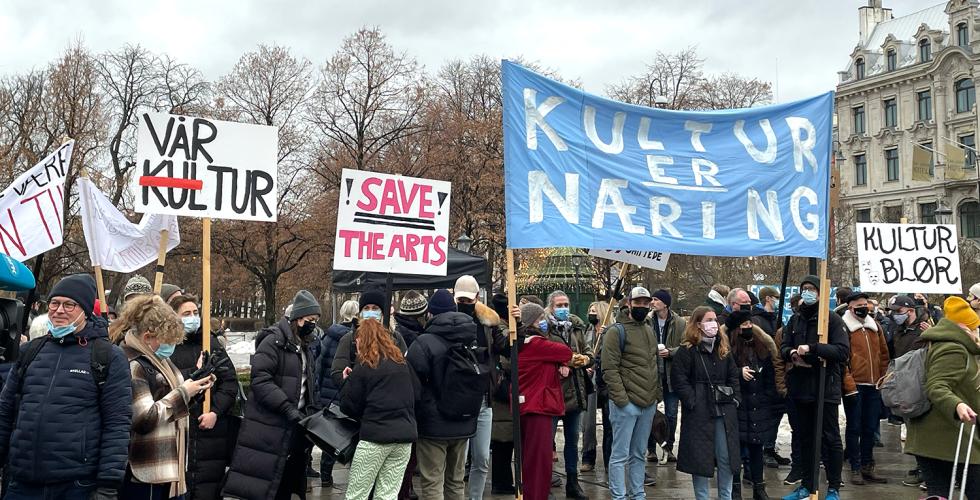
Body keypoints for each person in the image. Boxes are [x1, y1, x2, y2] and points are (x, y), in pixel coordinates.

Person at [0, 274, 132, 500]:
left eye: (69, 304)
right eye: (54, 303)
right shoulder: (30, 351)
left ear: (85, 311)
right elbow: (5, 411)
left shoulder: (108, 356)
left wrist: (108, 485)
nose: (59, 310)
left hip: (76, 485)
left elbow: (117, 424)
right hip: (22, 482)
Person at [110, 294, 214, 499]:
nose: (171, 346)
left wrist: (195, 389)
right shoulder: (134, 364)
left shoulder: (156, 358)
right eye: (167, 340)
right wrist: (184, 392)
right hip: (147, 470)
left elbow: (169, 402)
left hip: (167, 466)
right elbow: (144, 418)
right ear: (148, 337)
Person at [224, 290, 322, 500]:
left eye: (316, 320)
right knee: (266, 486)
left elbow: (307, 382)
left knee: (287, 482)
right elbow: (260, 380)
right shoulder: (273, 342)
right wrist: (287, 407)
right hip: (270, 425)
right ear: (297, 318)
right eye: (310, 319)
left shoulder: (304, 345)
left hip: (295, 425)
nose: (313, 324)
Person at [406, 289, 480, 500]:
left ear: (430, 314)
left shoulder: (423, 343)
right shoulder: (470, 338)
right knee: (456, 481)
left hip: (432, 426)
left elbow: (412, 385)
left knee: (432, 481)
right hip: (465, 421)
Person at [779, 275, 848, 500]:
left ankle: (834, 486)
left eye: (811, 289)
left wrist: (813, 348)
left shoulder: (832, 320)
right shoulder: (796, 319)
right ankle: (807, 485)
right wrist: (790, 353)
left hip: (824, 388)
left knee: (830, 438)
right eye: (804, 289)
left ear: (820, 292)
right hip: (801, 388)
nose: (807, 293)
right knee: (804, 438)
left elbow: (841, 352)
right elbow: (784, 345)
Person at [904, 297, 980, 499]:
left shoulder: (941, 343)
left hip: (940, 438)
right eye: (975, 327)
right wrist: (958, 405)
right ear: (964, 327)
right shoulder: (953, 348)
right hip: (948, 438)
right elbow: (937, 385)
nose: (976, 332)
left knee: (940, 494)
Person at [341, 313, 421, 500]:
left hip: (374, 439)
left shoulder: (364, 366)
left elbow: (349, 406)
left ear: (362, 340)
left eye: (357, 340)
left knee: (357, 495)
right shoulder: (401, 362)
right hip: (404, 439)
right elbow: (417, 394)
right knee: (387, 495)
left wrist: (347, 381)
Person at [169, 294, 239, 500]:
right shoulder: (166, 346)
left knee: (208, 488)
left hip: (209, 433)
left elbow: (229, 382)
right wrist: (195, 371)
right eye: (186, 314)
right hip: (179, 429)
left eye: (195, 313)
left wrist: (215, 412)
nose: (192, 317)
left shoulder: (210, 344)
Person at [672, 306, 740, 500]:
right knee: (700, 459)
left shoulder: (722, 348)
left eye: (715, 320)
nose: (713, 324)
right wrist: (692, 401)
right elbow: (679, 379)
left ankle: (725, 497)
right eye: (708, 319)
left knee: (726, 458)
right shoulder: (687, 351)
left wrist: (734, 399)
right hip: (699, 412)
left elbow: (733, 376)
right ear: (698, 324)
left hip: (723, 410)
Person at [512, 301, 579, 500]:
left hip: (525, 405)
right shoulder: (536, 343)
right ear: (532, 322)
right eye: (541, 319)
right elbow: (565, 352)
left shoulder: (520, 343)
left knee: (529, 459)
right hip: (538, 407)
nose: (544, 322)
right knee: (539, 463)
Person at [603, 286, 662, 500]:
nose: (642, 306)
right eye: (638, 302)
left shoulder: (648, 329)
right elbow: (609, 369)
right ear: (628, 303)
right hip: (626, 404)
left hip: (647, 403)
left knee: (638, 454)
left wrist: (657, 396)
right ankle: (619, 496)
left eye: (646, 303)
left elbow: (654, 363)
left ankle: (638, 493)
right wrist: (622, 401)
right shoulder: (615, 331)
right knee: (620, 454)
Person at [453, 275, 507, 500]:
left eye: (468, 300)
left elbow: (505, 346)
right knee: (457, 459)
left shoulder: (488, 322)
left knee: (482, 457)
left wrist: (516, 323)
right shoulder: (449, 321)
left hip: (484, 396)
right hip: (459, 397)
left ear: (477, 298)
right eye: (461, 300)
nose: (464, 304)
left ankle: (475, 497)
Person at [544, 290, 593, 498]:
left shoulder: (576, 327)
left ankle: (572, 483)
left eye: (566, 305)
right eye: (559, 305)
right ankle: (544, 482)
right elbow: (543, 354)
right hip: (554, 392)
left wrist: (578, 360)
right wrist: (562, 362)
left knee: (572, 441)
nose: (564, 309)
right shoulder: (544, 328)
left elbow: (589, 353)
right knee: (547, 442)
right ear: (551, 307)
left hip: (576, 390)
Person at [725, 310, 779, 500]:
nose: (747, 328)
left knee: (757, 449)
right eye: (743, 325)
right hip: (738, 405)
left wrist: (768, 398)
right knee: (736, 451)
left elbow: (770, 375)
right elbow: (723, 374)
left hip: (758, 405)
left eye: (749, 324)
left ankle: (759, 487)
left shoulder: (761, 345)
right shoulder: (727, 349)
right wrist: (739, 373)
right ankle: (736, 489)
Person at [840, 292, 889, 487]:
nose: (864, 307)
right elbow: (842, 359)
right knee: (854, 427)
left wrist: (882, 377)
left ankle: (868, 465)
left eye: (865, 304)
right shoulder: (844, 326)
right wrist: (849, 382)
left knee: (870, 427)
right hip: (855, 386)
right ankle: (855, 467)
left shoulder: (874, 325)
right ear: (850, 307)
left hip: (874, 384)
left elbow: (884, 354)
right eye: (859, 304)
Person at [317, 299, 359, 489]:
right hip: (349, 393)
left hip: (329, 393)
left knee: (332, 436)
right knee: (353, 435)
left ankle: (325, 474)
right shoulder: (356, 338)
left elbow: (319, 364)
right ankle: (355, 474)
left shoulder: (329, 336)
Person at [331, 290, 408, 387]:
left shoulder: (395, 337)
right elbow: (337, 373)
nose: (370, 312)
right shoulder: (350, 339)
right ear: (361, 313)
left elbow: (405, 368)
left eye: (375, 308)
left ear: (383, 313)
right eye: (366, 308)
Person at [648, 289, 686, 463]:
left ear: (665, 303)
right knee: (649, 413)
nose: (652, 302)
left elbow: (686, 345)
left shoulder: (679, 322)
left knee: (671, 414)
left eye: (656, 299)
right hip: (652, 375)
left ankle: (668, 448)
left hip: (671, 375)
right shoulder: (647, 321)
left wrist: (671, 352)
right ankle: (651, 450)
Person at [489, 293, 518, 495]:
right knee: (503, 439)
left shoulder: (498, 327)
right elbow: (508, 358)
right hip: (502, 389)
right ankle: (502, 482)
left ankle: (503, 480)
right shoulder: (501, 329)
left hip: (503, 390)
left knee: (504, 437)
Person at [580, 300, 609, 473]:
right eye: (589, 310)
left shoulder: (610, 332)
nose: (591, 313)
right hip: (590, 380)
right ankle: (588, 456)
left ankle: (609, 459)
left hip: (605, 380)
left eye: (594, 310)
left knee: (609, 422)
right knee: (588, 422)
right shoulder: (587, 331)